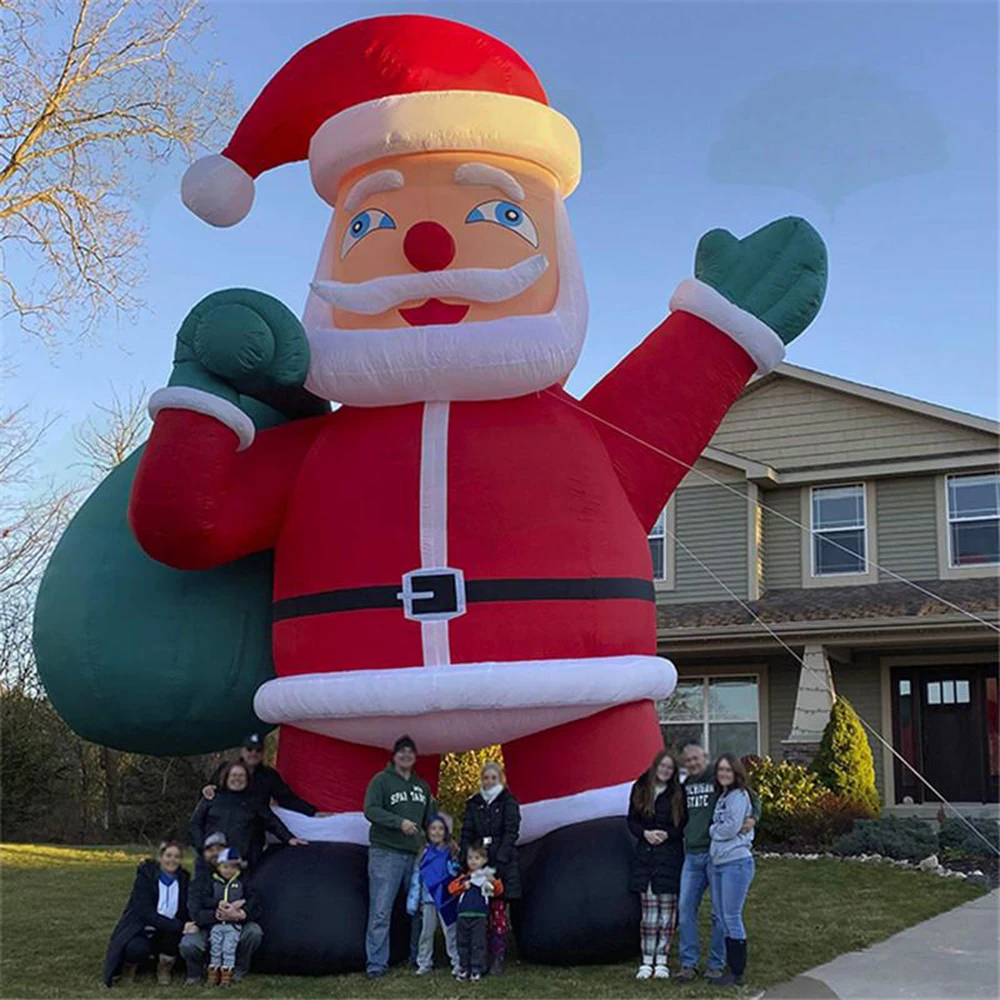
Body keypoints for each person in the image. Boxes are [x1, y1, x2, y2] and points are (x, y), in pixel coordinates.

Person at [676, 741, 758, 983]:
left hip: (717, 855)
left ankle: (716, 964)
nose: (692, 763)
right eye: (687, 760)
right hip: (692, 855)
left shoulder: (720, 775)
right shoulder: (686, 785)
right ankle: (688, 963)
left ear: (704, 756)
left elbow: (752, 799)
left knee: (720, 914)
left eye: (696, 758)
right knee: (685, 909)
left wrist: (754, 818)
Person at [363, 735, 435, 979]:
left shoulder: (422, 786)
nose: (406, 755)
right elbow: (370, 810)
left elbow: (430, 818)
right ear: (393, 756)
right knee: (381, 910)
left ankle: (417, 958)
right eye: (401, 752)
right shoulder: (381, 781)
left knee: (417, 909)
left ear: (415, 757)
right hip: (386, 852)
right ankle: (376, 965)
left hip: (416, 855)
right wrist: (398, 822)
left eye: (410, 752)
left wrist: (446, 840)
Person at [627, 749, 686, 980]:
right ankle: (647, 959)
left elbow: (682, 825)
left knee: (667, 913)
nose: (665, 771)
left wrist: (667, 835)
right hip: (646, 856)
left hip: (670, 857)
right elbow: (631, 820)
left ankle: (662, 959)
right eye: (663, 766)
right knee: (649, 913)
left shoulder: (677, 794)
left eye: (670, 768)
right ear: (656, 766)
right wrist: (645, 833)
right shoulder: (641, 787)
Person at [459, 761, 521, 976]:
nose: (489, 781)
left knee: (497, 913)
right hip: (478, 861)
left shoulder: (509, 801)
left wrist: (500, 857)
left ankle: (498, 956)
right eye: (486, 777)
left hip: (501, 861)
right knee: (479, 912)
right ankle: (478, 957)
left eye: (493, 778)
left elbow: (511, 831)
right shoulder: (474, 803)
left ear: (500, 779)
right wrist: (465, 858)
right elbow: (467, 831)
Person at [189, 760, 307, 870]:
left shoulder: (255, 802)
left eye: (241, 776)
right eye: (234, 775)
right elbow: (195, 824)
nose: (237, 779)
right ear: (226, 777)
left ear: (247, 779)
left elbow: (271, 821)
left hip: (241, 862)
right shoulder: (212, 797)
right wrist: (203, 847)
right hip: (211, 860)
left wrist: (289, 838)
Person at [103, 841, 191, 987]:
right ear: (160, 857)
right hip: (143, 927)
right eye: (168, 855)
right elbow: (145, 913)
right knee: (136, 948)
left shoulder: (184, 880)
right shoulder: (145, 878)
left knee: (173, 938)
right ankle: (129, 968)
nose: (172, 860)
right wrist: (180, 926)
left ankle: (164, 968)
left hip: (170, 930)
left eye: (177, 856)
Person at [181, 835, 263, 984]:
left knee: (254, 932)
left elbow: (255, 903)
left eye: (219, 849)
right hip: (206, 925)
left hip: (236, 926)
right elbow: (195, 911)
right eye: (210, 850)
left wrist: (241, 913)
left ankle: (237, 970)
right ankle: (196, 973)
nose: (215, 853)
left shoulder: (243, 877)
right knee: (189, 943)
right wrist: (220, 915)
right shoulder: (201, 878)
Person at [709, 754, 756, 987]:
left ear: (736, 773)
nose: (724, 774)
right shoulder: (723, 796)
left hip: (736, 863)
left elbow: (730, 828)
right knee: (723, 917)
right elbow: (726, 826)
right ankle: (730, 966)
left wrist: (712, 830)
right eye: (721, 770)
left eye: (728, 770)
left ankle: (737, 972)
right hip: (719, 862)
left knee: (731, 916)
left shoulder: (739, 796)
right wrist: (719, 828)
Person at [407, 815, 461, 976]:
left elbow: (457, 873)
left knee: (451, 932)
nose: (437, 832)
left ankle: (457, 962)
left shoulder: (451, 851)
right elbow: (417, 877)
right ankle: (424, 963)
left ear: (445, 831)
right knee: (426, 932)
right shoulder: (424, 853)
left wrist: (453, 868)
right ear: (428, 831)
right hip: (428, 898)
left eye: (440, 828)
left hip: (446, 898)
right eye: (433, 828)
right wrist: (413, 902)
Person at [448, 841, 504, 982]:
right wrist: (462, 886)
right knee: (463, 943)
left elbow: (498, 891)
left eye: (477, 858)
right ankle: (464, 968)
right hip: (463, 916)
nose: (473, 861)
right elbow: (451, 889)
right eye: (470, 858)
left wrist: (494, 881)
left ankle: (477, 969)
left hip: (479, 917)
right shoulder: (464, 878)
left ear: (484, 860)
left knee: (478, 943)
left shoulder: (486, 877)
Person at [198, 847, 254, 987]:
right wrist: (217, 904)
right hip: (216, 925)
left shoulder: (241, 883)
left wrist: (241, 905)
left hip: (233, 926)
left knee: (229, 948)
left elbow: (252, 898)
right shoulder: (213, 883)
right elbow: (204, 900)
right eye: (225, 867)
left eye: (232, 867)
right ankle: (213, 973)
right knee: (215, 948)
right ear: (218, 866)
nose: (228, 870)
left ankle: (227, 975)